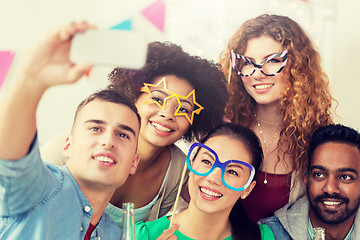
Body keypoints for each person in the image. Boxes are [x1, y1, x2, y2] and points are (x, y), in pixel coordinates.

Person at [41, 41, 229, 226]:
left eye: (183, 109)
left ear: (193, 122)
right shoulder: (71, 147)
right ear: (133, 96)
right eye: (157, 99)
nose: (167, 114)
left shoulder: (179, 172)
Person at [0, 22, 142, 239]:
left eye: (123, 134)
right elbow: (12, 164)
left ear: (134, 162)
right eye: (96, 128)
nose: (108, 141)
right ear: (68, 145)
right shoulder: (38, 189)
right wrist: (31, 80)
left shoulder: (115, 234)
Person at [218, 14, 335, 222]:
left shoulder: (319, 139)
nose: (257, 74)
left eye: (273, 61)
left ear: (299, 67)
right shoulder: (222, 127)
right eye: (247, 62)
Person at [135, 123, 275, 240]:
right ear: (192, 164)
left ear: (247, 189)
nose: (213, 178)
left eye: (232, 172)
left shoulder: (263, 237)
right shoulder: (143, 235)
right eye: (207, 161)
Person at [259, 124, 360, 240]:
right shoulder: (268, 235)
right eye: (319, 175)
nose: (330, 188)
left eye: (345, 177)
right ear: (306, 180)